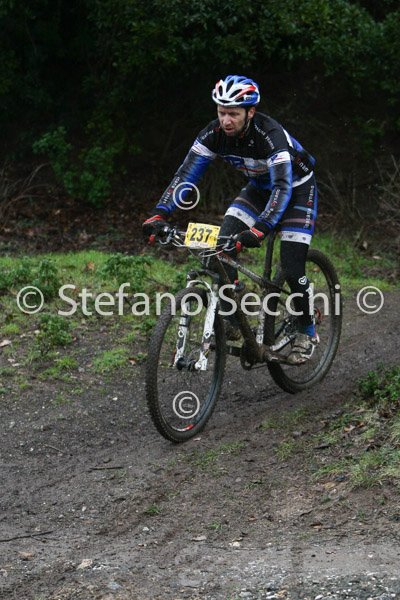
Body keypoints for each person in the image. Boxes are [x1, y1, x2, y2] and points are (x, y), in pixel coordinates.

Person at [142, 75, 319, 364]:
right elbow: (186, 175)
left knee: (291, 264)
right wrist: (160, 213)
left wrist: (261, 228)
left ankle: (306, 330)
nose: (226, 120)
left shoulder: (270, 135)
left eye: (233, 114)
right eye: (221, 112)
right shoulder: (213, 134)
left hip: (297, 189)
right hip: (260, 189)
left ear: (251, 112)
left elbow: (283, 186)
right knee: (219, 248)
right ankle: (233, 320)